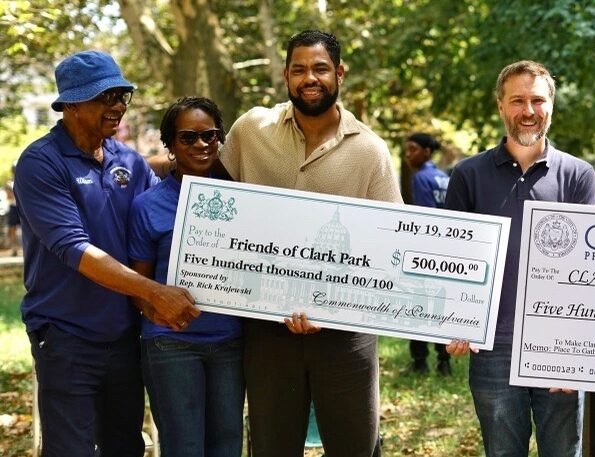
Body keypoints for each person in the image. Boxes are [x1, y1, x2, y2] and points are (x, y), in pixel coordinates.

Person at [218, 30, 401, 456]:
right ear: (285, 76)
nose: (309, 78)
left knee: (355, 444)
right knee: (271, 444)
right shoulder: (251, 130)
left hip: (345, 331)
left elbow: (391, 241)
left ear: (338, 73)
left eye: (320, 68)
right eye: (298, 69)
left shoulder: (371, 151)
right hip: (267, 328)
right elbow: (214, 196)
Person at [14, 50, 199, 457]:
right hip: (65, 337)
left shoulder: (126, 161)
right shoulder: (39, 164)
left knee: (124, 447)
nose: (117, 106)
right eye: (106, 97)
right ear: (72, 104)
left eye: (122, 95)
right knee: (71, 450)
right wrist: (154, 292)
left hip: (123, 336)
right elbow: (76, 250)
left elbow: (161, 217)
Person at [446, 60, 595, 457]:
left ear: (551, 106)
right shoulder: (467, 175)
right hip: (492, 345)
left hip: (557, 346)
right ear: (500, 106)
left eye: (537, 100)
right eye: (518, 100)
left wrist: (575, 351)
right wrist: (453, 318)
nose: (528, 111)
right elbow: (451, 257)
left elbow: (587, 270)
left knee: (564, 452)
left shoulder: (578, 175)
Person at [127, 96, 243, 457]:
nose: (201, 144)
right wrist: (158, 312)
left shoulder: (243, 200)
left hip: (230, 342)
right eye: (188, 137)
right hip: (170, 344)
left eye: (209, 135)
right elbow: (139, 287)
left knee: (226, 446)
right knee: (184, 448)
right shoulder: (148, 205)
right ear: (171, 145)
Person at [403, 131, 453, 375]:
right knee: (441, 305)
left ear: (426, 151)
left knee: (419, 305)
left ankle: (419, 362)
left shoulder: (420, 178)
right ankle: (444, 362)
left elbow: (426, 219)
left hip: (427, 252)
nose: (407, 155)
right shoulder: (444, 177)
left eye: (412, 149)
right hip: (448, 253)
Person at [4, 163, 17, 256]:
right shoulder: (9, 182)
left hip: (18, 207)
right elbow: (9, 196)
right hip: (14, 207)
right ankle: (14, 249)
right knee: (12, 229)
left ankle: (16, 248)